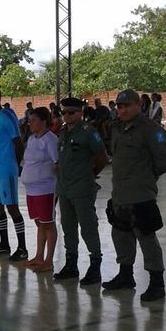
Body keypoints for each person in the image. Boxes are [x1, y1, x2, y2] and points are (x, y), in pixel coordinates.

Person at [102, 89, 166, 302]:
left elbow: (163, 161)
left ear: (138, 105)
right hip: (120, 193)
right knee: (121, 235)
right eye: (119, 106)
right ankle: (125, 276)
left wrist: (145, 178)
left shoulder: (151, 129)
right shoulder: (118, 129)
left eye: (126, 106)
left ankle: (156, 283)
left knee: (146, 238)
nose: (122, 110)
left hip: (141, 194)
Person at [54, 97, 107, 285]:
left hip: (82, 187)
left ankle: (95, 265)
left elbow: (102, 157)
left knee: (88, 227)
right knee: (68, 227)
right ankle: (71, 264)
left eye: (71, 112)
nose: (67, 116)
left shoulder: (88, 132)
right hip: (65, 188)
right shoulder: (63, 132)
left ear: (80, 112)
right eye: (64, 112)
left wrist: (89, 175)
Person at [0, 85, 27, 261]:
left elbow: (18, 143)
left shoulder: (6, 117)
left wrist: (15, 166)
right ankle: (4, 244)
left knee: (12, 207)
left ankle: (22, 247)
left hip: (6, 168)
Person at [19, 107, 59, 272]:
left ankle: (49, 260)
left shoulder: (50, 139)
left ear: (43, 122)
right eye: (30, 120)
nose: (30, 123)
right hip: (31, 189)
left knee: (48, 223)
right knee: (39, 222)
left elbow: (57, 163)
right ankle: (39, 255)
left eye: (34, 120)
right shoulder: (32, 139)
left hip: (46, 188)